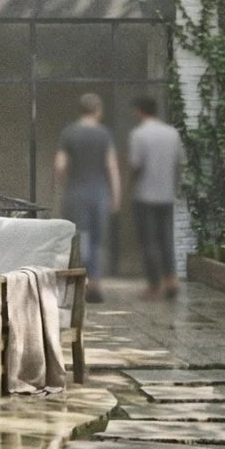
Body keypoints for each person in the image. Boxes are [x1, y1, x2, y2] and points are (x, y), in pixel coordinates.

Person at [54, 92, 120, 304]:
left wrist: (66, 184)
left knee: (80, 238)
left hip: (76, 193)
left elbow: (60, 165)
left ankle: (80, 282)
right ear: (98, 110)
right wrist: (115, 195)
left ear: (80, 110)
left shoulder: (69, 133)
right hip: (99, 194)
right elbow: (112, 167)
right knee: (97, 240)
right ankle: (96, 283)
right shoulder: (104, 134)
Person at [125, 94, 183, 299]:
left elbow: (136, 165)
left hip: (145, 196)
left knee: (148, 241)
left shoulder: (138, 134)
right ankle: (171, 280)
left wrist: (129, 185)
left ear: (140, 111)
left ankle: (154, 285)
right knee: (166, 239)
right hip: (166, 195)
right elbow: (178, 163)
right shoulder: (172, 133)